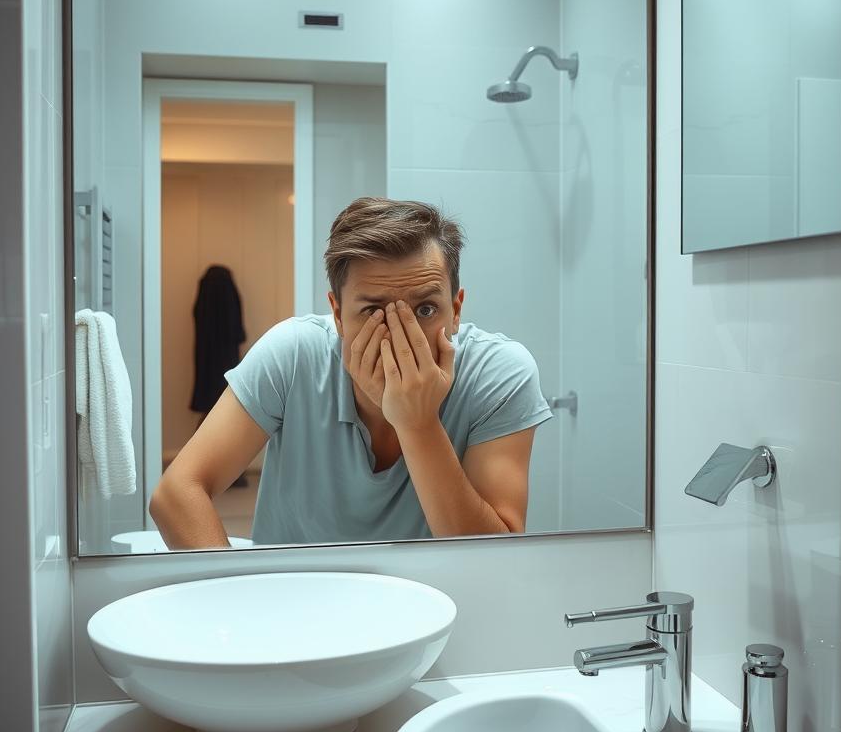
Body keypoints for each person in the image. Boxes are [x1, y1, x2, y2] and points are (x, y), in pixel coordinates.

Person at [150, 197, 553, 547]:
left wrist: (417, 424)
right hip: (298, 605)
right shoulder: (293, 354)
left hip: (434, 605)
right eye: (374, 311)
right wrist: (234, 600)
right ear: (339, 314)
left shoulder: (500, 374)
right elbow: (176, 494)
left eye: (426, 309)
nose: (401, 335)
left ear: (457, 309)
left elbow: (492, 556)